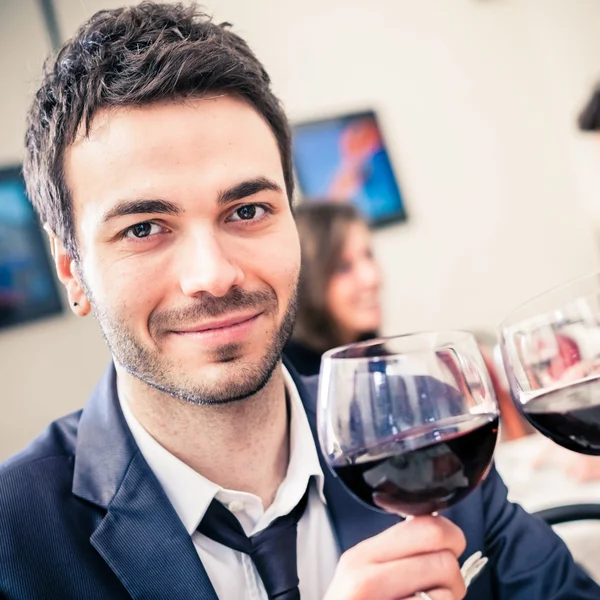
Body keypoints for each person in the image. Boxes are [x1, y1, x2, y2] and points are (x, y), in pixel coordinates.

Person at [0, 3, 598, 599]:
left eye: (248, 211)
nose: (213, 275)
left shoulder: (425, 427)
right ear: (70, 270)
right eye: (143, 228)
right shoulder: (13, 538)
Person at [285, 201, 381, 376]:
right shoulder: (298, 383)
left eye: (369, 255)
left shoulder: (373, 353)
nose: (371, 278)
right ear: (306, 282)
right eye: (343, 267)